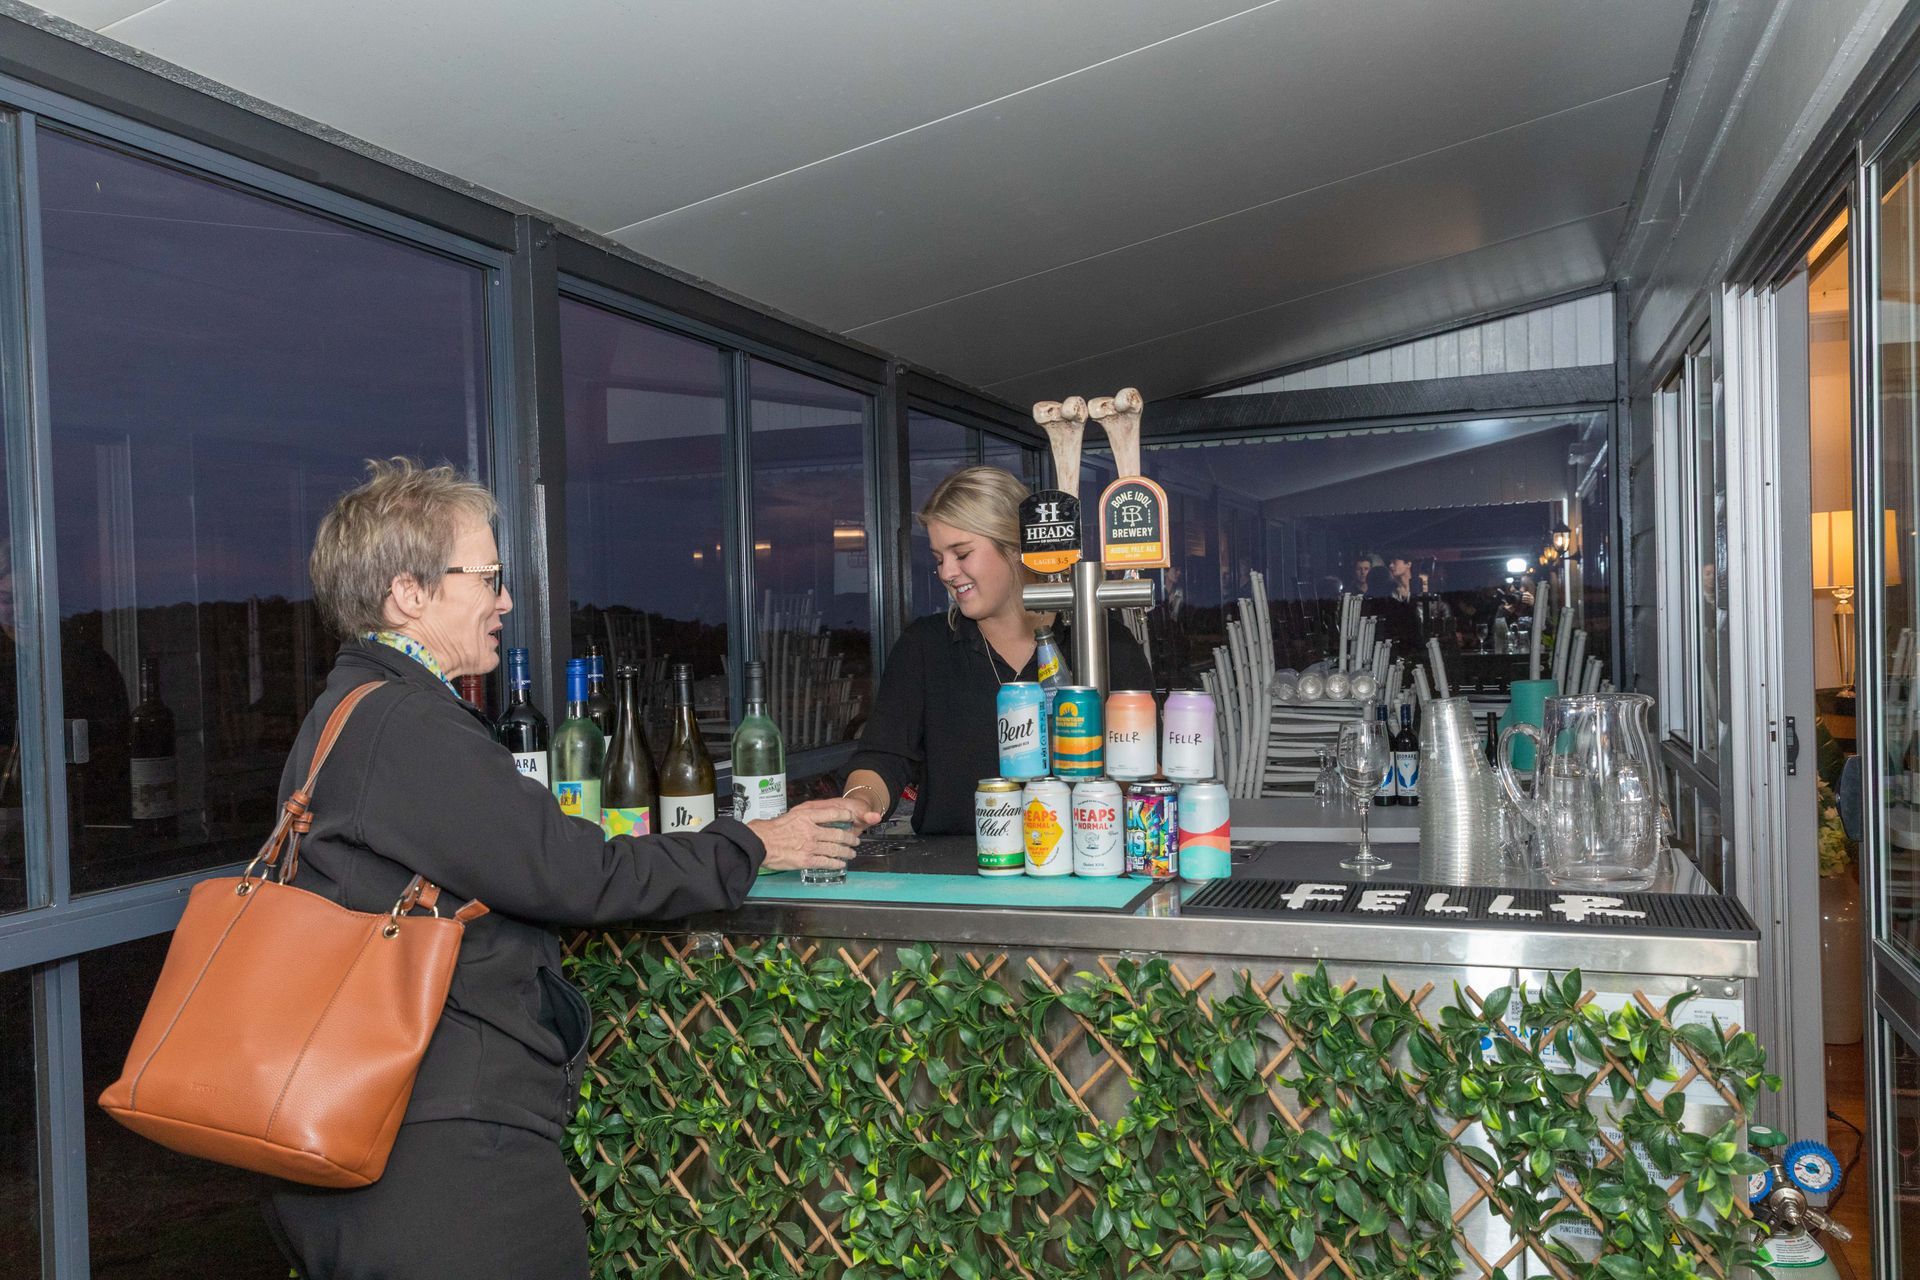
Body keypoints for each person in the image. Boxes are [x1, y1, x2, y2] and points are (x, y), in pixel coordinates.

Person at [260, 459, 875, 1279]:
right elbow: (573, 873)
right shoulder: (406, 726)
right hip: (438, 1159)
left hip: (373, 1135)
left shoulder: (353, 709)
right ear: (409, 593)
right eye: (486, 577)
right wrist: (754, 844)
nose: (505, 600)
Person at [842, 466, 1152, 835]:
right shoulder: (925, 646)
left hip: (1083, 867)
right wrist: (859, 803)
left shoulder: (1102, 643)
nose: (946, 572)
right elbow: (884, 756)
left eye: (962, 553)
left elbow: (1147, 772)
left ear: (1014, 547)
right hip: (953, 875)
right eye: (939, 558)